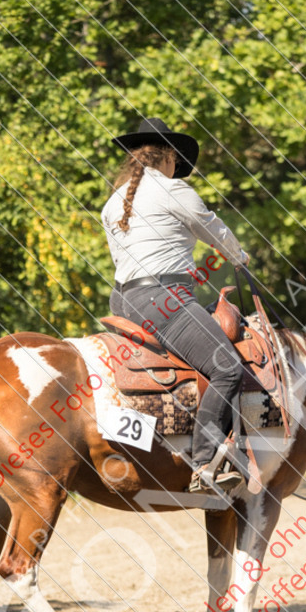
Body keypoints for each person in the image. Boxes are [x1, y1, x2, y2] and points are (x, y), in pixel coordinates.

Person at [101, 117, 249, 494]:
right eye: (175, 158)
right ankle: (205, 462)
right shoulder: (174, 190)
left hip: (123, 299)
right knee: (227, 368)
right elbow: (213, 229)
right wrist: (239, 257)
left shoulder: (111, 203)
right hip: (163, 298)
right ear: (167, 154)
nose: (176, 166)